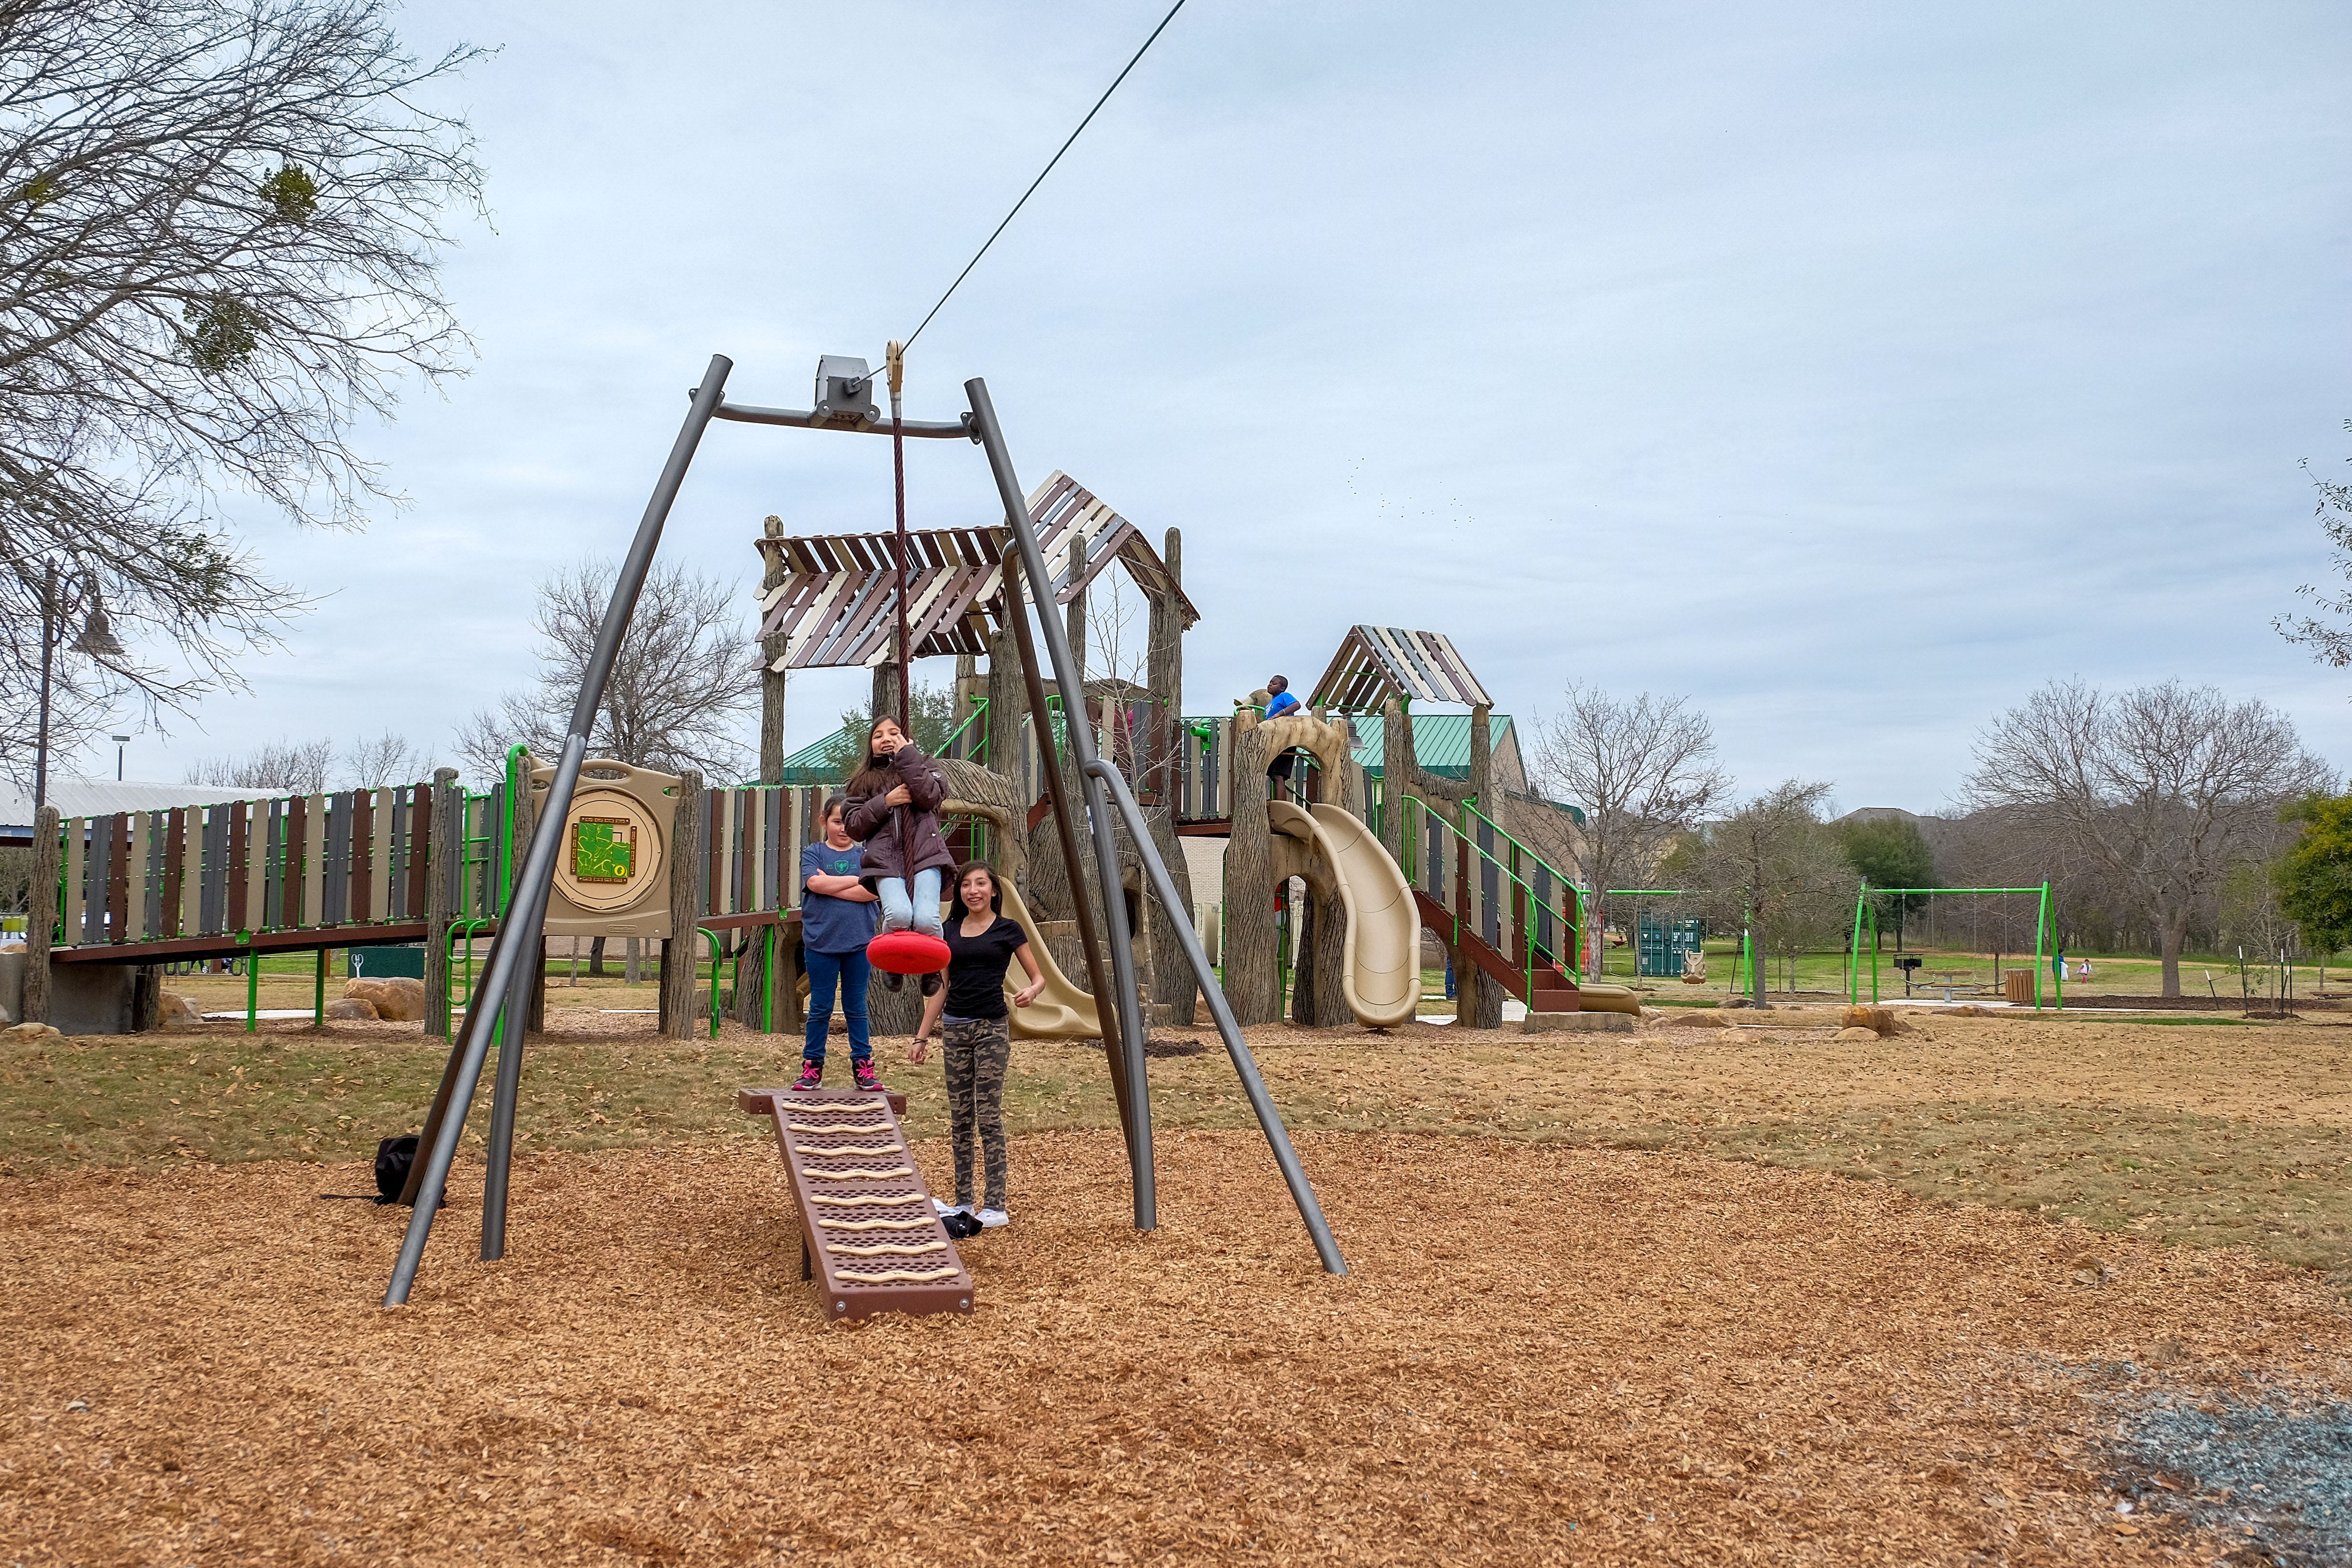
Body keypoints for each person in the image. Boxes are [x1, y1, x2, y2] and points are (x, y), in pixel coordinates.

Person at [908, 861, 1044, 1231]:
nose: (973, 890)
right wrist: (922, 1037)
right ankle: (965, 1201)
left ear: (994, 891)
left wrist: (1031, 992)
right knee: (960, 1118)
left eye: (980, 883)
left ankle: (996, 1204)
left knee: (988, 1114)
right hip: (955, 1030)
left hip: (991, 1029)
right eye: (966, 884)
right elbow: (942, 988)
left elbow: (1038, 976)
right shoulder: (948, 931)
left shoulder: (1008, 930)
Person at [844, 715, 955, 995]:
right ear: (871, 745)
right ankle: (892, 962)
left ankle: (932, 967)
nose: (886, 739)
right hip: (886, 861)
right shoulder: (862, 781)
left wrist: (908, 757)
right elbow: (855, 826)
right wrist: (886, 802)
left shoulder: (926, 766)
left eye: (894, 733)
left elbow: (929, 798)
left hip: (925, 854)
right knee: (900, 915)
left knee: (927, 919)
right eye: (878, 735)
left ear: (908, 739)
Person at [795, 796, 881, 1093]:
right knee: (820, 1007)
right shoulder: (814, 853)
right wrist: (855, 881)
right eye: (836, 821)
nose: (843, 828)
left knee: (856, 1007)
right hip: (820, 944)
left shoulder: (867, 853)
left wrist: (833, 883)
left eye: (849, 822)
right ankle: (812, 1068)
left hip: (859, 944)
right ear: (824, 822)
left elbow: (873, 893)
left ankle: (863, 1068)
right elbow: (814, 885)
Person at [1262, 674, 1303, 784]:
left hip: (1285, 737)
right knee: (1269, 775)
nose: (1270, 685)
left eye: (1274, 683)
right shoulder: (1269, 705)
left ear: (1282, 688)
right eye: (1270, 682)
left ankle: (1281, 801)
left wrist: (1280, 714)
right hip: (1273, 740)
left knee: (1278, 775)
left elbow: (1297, 705)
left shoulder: (1285, 696)